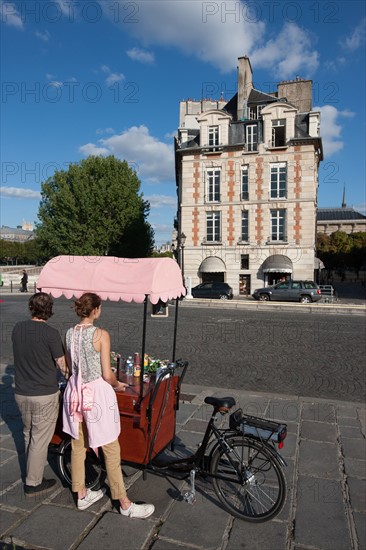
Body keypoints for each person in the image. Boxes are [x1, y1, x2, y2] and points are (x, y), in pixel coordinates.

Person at [62, 292, 155, 518]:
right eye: (100, 308)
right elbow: (106, 374)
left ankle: (81, 494)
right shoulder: (101, 334)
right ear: (95, 310)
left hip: (75, 392)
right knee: (111, 448)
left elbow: (70, 368)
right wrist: (119, 384)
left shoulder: (69, 333)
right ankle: (123, 503)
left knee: (77, 445)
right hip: (95, 395)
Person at [12, 292, 68, 496]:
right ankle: (33, 483)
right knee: (40, 439)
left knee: (28, 434)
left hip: (21, 392)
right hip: (44, 393)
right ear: (50, 311)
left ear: (30, 308)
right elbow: (62, 365)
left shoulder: (18, 328)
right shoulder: (51, 333)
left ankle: (30, 471)